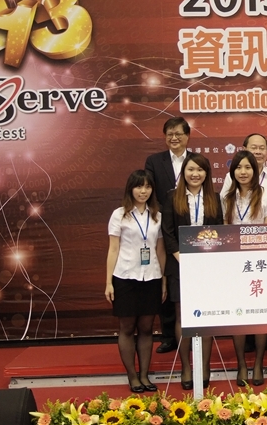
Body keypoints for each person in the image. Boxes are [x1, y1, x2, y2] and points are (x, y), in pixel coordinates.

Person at [161, 153, 223, 390]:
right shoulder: (172, 197)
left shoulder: (214, 198)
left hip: (207, 267)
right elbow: (167, 232)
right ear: (183, 173)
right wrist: (182, 257)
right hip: (179, 265)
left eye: (200, 170)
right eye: (190, 170)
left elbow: (219, 231)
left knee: (206, 317)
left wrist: (204, 260)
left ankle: (204, 367)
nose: (195, 174)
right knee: (182, 316)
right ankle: (186, 367)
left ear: (206, 173)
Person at [221, 133, 267, 353]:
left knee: (261, 303)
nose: (243, 172)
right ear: (233, 171)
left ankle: (261, 348)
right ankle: (244, 349)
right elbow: (225, 226)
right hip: (235, 259)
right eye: (239, 168)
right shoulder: (228, 197)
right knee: (239, 302)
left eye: (248, 168)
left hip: (260, 257)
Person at [105, 170, 167, 393]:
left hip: (151, 276)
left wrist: (163, 280)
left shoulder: (157, 215)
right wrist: (108, 282)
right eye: (139, 186)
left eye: (148, 187)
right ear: (130, 189)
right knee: (127, 328)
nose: (143, 191)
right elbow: (113, 249)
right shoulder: (119, 214)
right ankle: (132, 376)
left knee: (147, 328)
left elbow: (160, 250)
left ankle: (144, 376)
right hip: (125, 277)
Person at [144, 117, 191, 354]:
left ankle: (192, 334)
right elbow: (150, 192)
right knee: (166, 277)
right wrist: (166, 215)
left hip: (192, 228)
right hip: (163, 227)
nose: (174, 138)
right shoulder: (154, 161)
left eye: (178, 134)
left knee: (189, 284)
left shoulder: (196, 161)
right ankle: (169, 336)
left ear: (187, 136)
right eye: (169, 134)